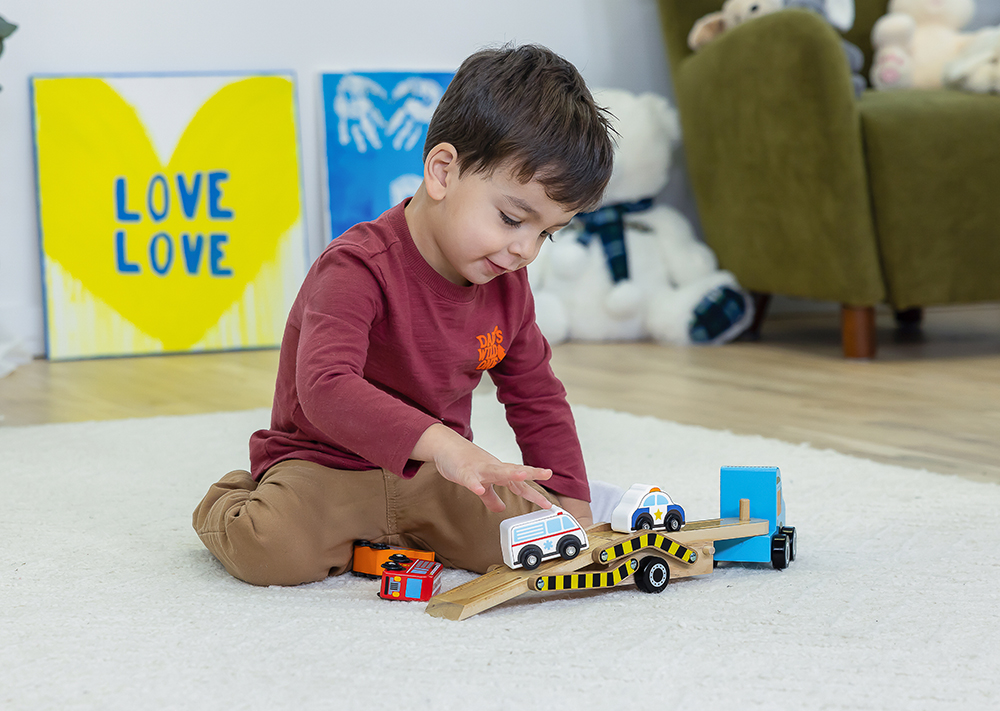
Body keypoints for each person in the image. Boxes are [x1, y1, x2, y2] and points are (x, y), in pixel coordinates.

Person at [193, 44, 616, 586]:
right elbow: (325, 387)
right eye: (512, 219)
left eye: (546, 234)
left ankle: (396, 534)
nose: (526, 250)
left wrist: (572, 502)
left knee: (527, 543)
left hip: (438, 479)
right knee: (270, 551)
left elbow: (536, 394)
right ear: (442, 171)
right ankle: (233, 495)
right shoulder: (355, 266)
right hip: (329, 466)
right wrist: (447, 446)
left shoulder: (509, 285)